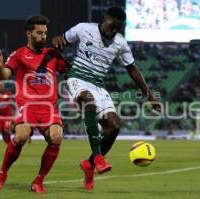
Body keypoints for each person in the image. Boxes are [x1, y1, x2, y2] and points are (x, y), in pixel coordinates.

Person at [52, 6, 160, 190]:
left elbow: (132, 69)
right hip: (78, 77)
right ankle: (99, 157)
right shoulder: (83, 28)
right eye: (113, 25)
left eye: (119, 27)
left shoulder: (120, 43)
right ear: (105, 18)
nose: (115, 30)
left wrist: (149, 95)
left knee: (114, 127)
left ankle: (89, 165)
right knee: (88, 101)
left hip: (99, 85)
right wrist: (57, 40)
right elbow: (62, 40)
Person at [0, 15, 69, 193]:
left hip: (49, 108)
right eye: (39, 33)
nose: (43, 36)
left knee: (56, 137)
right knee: (21, 136)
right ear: (29, 33)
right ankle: (2, 174)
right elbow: (4, 77)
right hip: (28, 106)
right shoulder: (19, 54)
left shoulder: (52, 55)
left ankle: (39, 180)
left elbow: (70, 71)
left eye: (45, 33)